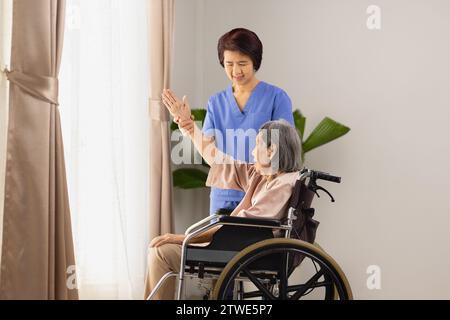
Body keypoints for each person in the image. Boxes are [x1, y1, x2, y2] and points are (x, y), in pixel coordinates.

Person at [144, 92, 302, 299]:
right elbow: (218, 160)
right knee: (160, 250)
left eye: (257, 145)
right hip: (235, 247)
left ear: (272, 151)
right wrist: (188, 126)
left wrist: (182, 238)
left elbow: (238, 226)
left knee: (161, 253)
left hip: (242, 252)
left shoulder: (282, 185)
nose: (253, 152)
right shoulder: (261, 176)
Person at [202, 28, 295, 216]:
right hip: (223, 193)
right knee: (215, 243)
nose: (236, 71)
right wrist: (186, 124)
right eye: (229, 64)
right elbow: (207, 150)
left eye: (242, 63)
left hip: (262, 195)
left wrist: (261, 182)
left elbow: (283, 152)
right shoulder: (216, 102)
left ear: (255, 61)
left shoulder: (276, 98)